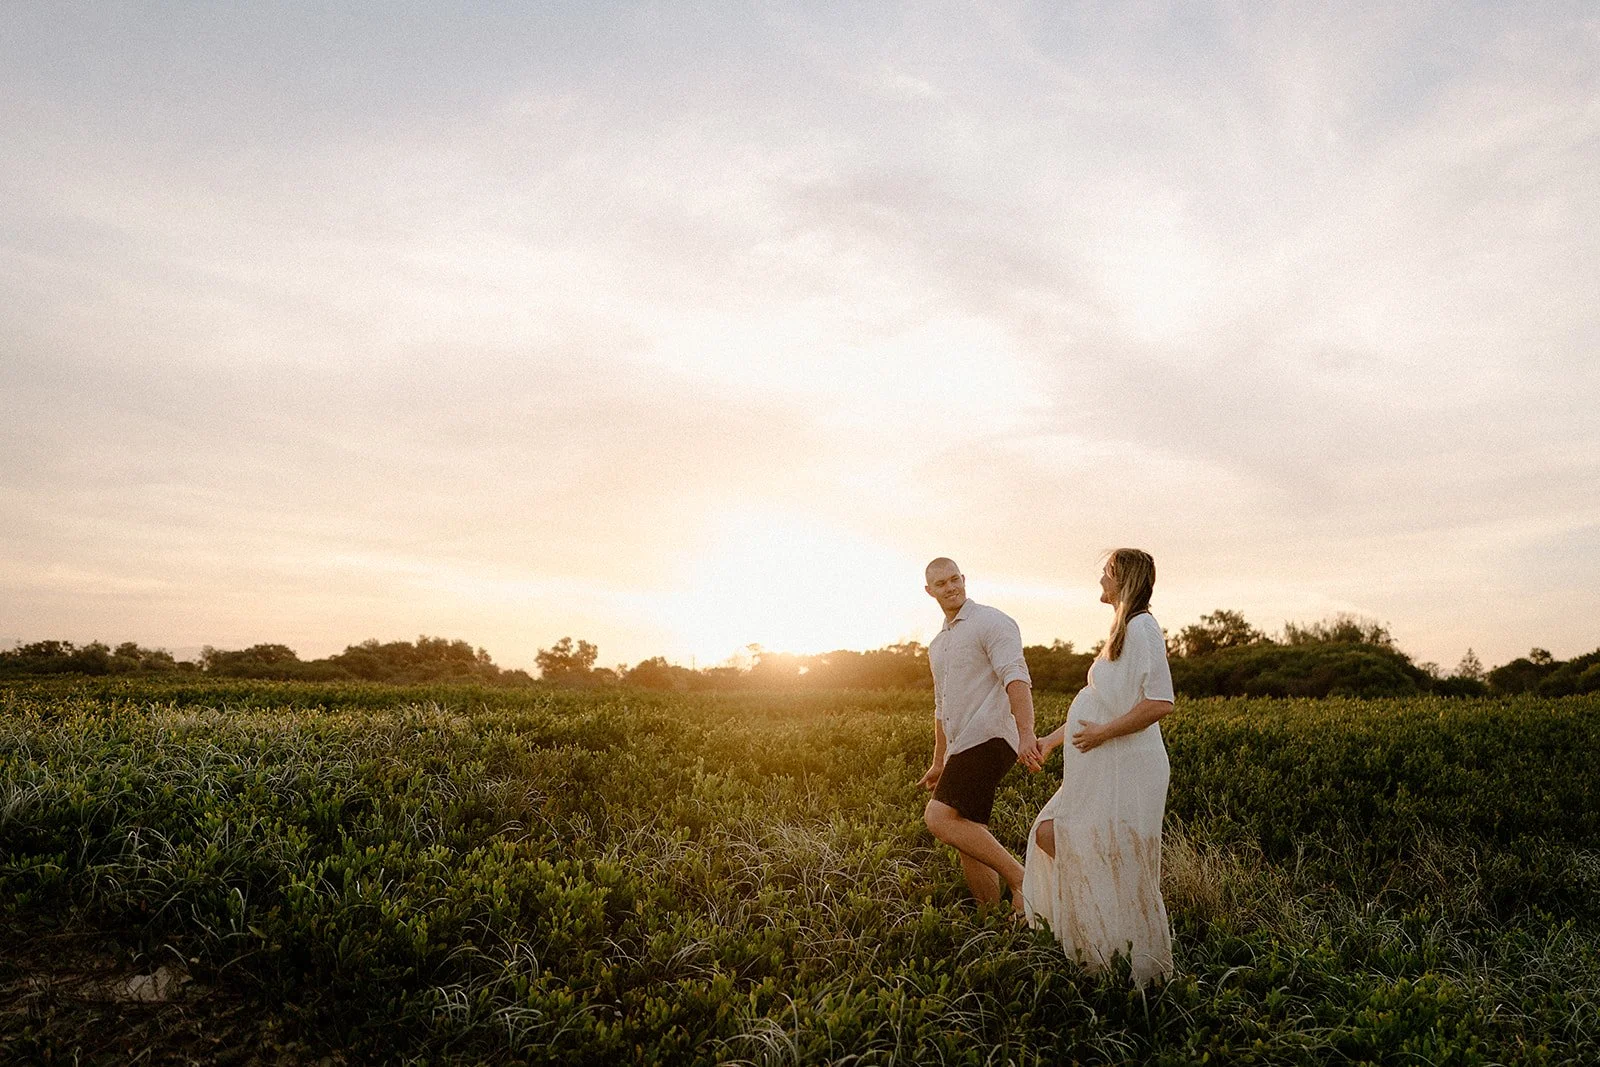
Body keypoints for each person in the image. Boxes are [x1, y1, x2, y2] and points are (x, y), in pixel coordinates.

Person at [1023, 548, 1176, 985]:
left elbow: (1160, 702)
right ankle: (1097, 952)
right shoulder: (1122, 631)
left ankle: (1133, 967)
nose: (1100, 582)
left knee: (1109, 853)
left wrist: (1104, 734)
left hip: (1127, 766)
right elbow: (1096, 704)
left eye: (1106, 574)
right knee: (1056, 836)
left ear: (1123, 579)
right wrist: (1053, 741)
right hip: (1100, 765)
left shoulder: (1144, 628)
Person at [917, 557, 1042, 912]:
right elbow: (942, 705)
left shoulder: (992, 621)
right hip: (962, 744)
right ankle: (991, 918)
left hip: (991, 736)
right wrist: (939, 761)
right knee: (967, 831)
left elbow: (1016, 675)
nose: (951, 587)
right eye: (941, 584)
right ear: (930, 591)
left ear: (964, 579)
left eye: (955, 579)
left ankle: (1023, 879)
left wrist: (1027, 733)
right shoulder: (938, 645)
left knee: (939, 817)